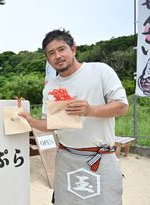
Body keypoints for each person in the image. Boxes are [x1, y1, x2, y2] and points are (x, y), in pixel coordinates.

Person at [19, 29, 128, 205]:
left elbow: (122, 106)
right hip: (66, 157)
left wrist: (90, 110)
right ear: (47, 58)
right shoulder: (50, 88)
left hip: (101, 157)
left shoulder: (100, 71)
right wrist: (31, 120)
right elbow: (51, 124)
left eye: (61, 49)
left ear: (73, 49)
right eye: (51, 53)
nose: (57, 56)